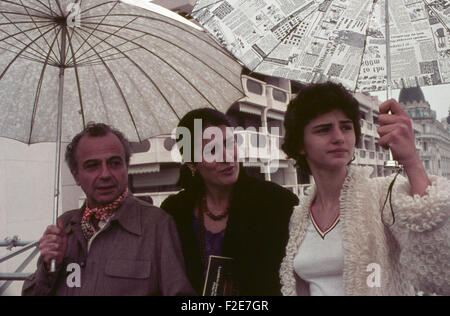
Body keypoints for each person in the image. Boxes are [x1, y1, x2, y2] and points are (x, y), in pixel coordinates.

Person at [279, 82, 449, 296]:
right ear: (301, 145)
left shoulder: (383, 195)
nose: (339, 137)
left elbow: (441, 273)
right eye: (323, 130)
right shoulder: (299, 217)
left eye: (346, 127)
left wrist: (412, 161)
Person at [22, 123, 195, 296]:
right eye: (92, 165)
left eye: (114, 163)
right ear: (76, 175)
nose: (105, 174)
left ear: (126, 167)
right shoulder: (64, 227)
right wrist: (49, 267)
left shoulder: (157, 225)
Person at [160, 108, 299, 296]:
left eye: (229, 143)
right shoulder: (175, 212)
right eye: (212, 150)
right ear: (192, 164)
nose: (227, 156)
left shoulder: (276, 203)